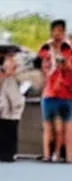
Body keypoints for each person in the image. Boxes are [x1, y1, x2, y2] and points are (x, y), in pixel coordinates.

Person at [36, 19, 72, 163]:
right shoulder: (45, 48)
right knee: (49, 128)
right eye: (55, 31)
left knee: (67, 128)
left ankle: (68, 155)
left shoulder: (68, 49)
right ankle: (47, 154)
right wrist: (51, 55)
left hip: (67, 93)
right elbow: (43, 66)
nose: (57, 34)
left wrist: (64, 63)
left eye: (60, 31)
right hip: (50, 92)